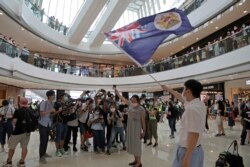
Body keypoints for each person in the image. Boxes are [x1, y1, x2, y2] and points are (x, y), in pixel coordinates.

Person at [161, 79, 206, 167]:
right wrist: (168, 89)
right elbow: (180, 97)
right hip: (196, 149)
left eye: (184, 89)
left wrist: (187, 158)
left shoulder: (191, 109)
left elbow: (194, 134)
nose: (183, 92)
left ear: (188, 91)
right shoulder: (199, 104)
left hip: (188, 151)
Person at [114, 87, 146, 167]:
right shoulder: (130, 105)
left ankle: (139, 163)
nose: (132, 102)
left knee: (137, 145)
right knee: (132, 144)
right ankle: (135, 160)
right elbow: (122, 98)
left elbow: (143, 121)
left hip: (137, 128)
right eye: (131, 101)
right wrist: (117, 92)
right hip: (130, 127)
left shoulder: (141, 109)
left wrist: (144, 131)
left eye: (134, 101)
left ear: (138, 101)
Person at [3, 98, 30, 167]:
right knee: (24, 147)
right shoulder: (30, 110)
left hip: (17, 132)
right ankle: (22, 162)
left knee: (12, 147)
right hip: (27, 132)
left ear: (20, 103)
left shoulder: (18, 111)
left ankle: (9, 162)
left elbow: (14, 122)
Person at [38, 90, 55, 164]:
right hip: (42, 124)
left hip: (48, 124)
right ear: (49, 96)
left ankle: (44, 153)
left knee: (46, 139)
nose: (54, 96)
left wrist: (55, 112)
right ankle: (41, 157)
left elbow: (50, 114)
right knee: (43, 140)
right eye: (53, 95)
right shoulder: (43, 103)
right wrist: (50, 110)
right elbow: (41, 113)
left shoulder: (51, 103)